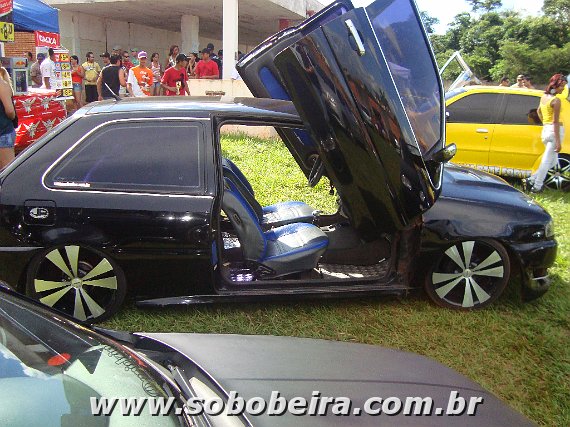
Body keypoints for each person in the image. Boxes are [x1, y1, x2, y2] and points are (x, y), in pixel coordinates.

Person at [523, 74, 567, 193]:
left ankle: (531, 180)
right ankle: (536, 187)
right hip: (555, 131)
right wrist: (558, 142)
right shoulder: (556, 101)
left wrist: (545, 124)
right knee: (546, 162)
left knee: (553, 162)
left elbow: (538, 111)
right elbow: (555, 121)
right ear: (555, 85)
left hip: (546, 130)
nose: (563, 89)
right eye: (561, 86)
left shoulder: (544, 97)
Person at [0, 67, 16, 168]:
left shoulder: (1, 85)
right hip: (3, 132)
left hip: (3, 133)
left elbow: (10, 111)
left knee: (7, 171)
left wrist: (12, 117)